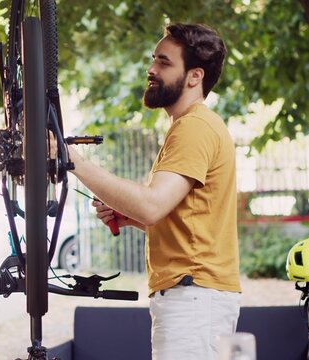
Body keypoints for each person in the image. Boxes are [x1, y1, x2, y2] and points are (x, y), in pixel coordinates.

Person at [65, 23, 241, 359]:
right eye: (153, 60)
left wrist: (74, 161)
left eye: (164, 62)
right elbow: (189, 222)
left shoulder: (194, 127)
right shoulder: (192, 125)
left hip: (194, 302)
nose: (151, 69)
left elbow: (152, 205)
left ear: (194, 76)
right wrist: (131, 218)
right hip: (196, 299)